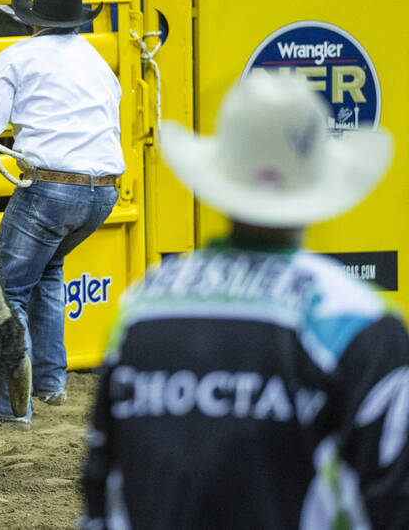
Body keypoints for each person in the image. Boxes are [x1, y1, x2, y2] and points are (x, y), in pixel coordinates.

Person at [82, 70, 405, 528]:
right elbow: (392, 495)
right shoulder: (358, 320)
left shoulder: (143, 307)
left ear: (220, 173)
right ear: (320, 179)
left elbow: (102, 484)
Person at [0, 0, 124, 429]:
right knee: (49, 273)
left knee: (8, 293)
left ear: (33, 19)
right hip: (103, 189)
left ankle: (13, 407)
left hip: (52, 186)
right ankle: (50, 383)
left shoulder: (18, 57)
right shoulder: (97, 62)